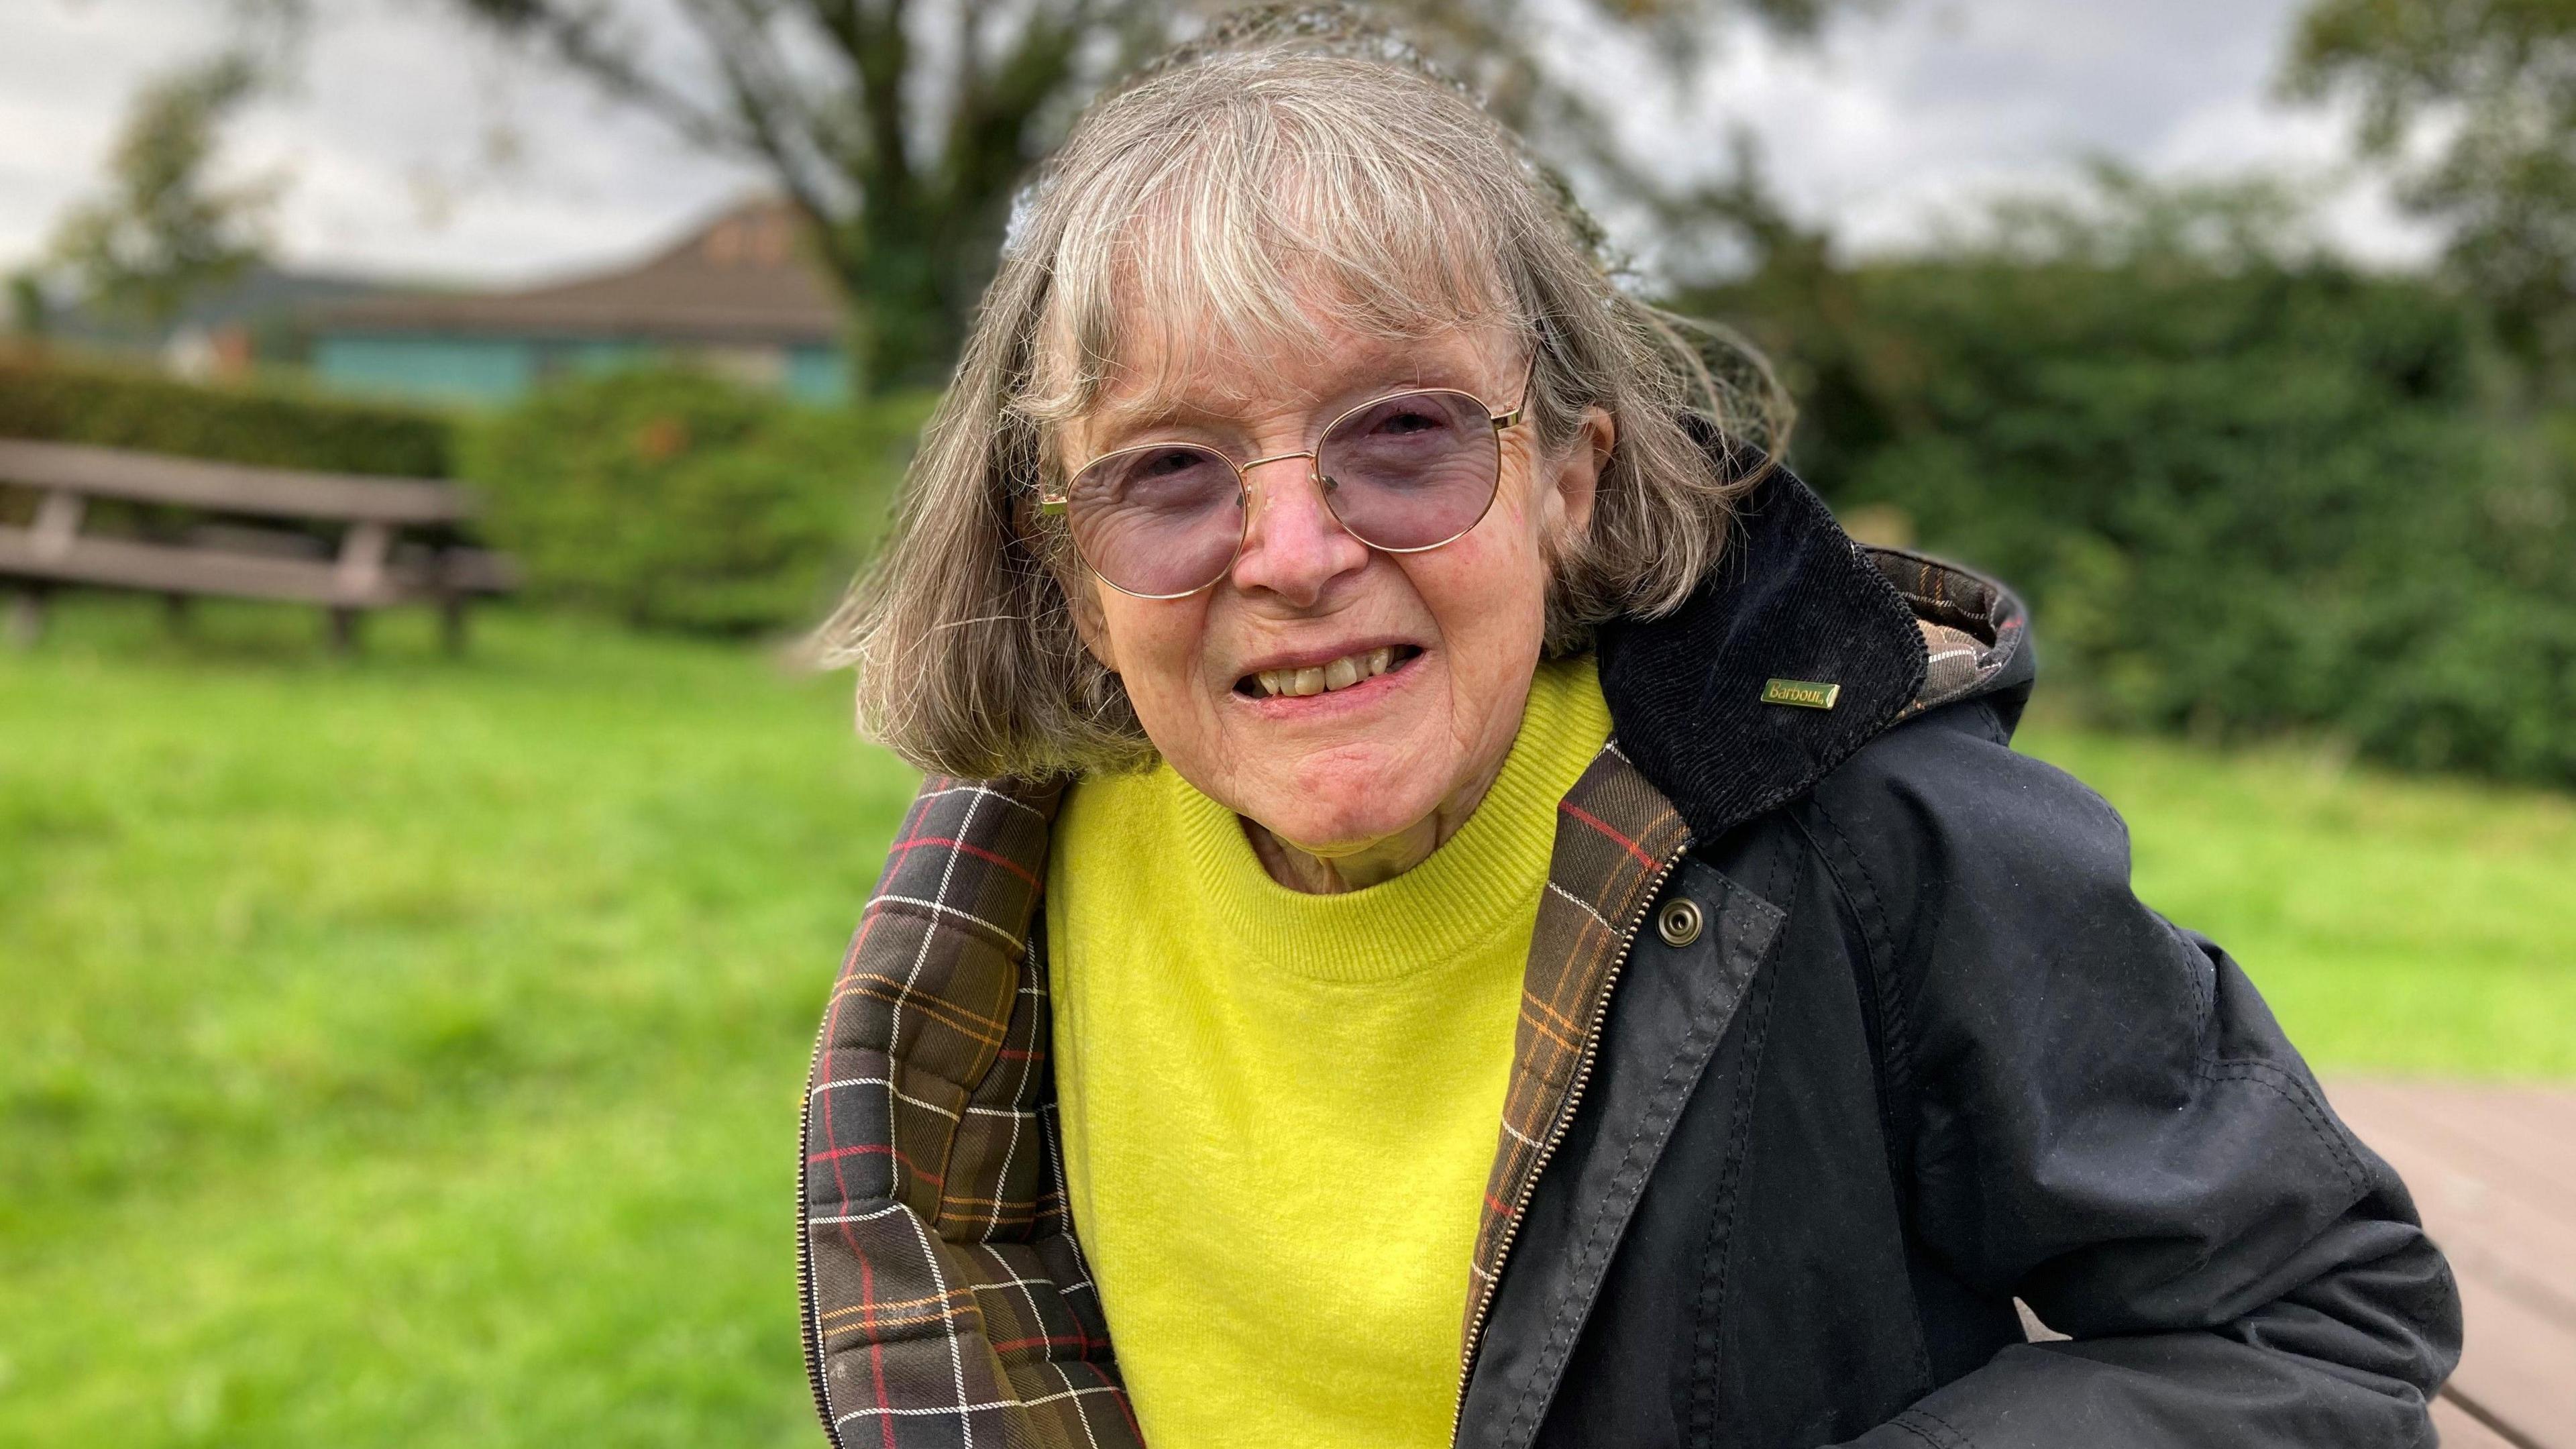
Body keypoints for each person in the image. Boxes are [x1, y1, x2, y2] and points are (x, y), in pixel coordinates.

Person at [794, 28, 2461, 1449]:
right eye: (1168, 471)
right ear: (1070, 569)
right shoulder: (999, 881)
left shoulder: (1863, 832)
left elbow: (2318, 1324)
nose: (1292, 557)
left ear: (1567, 485)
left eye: (1404, 436)